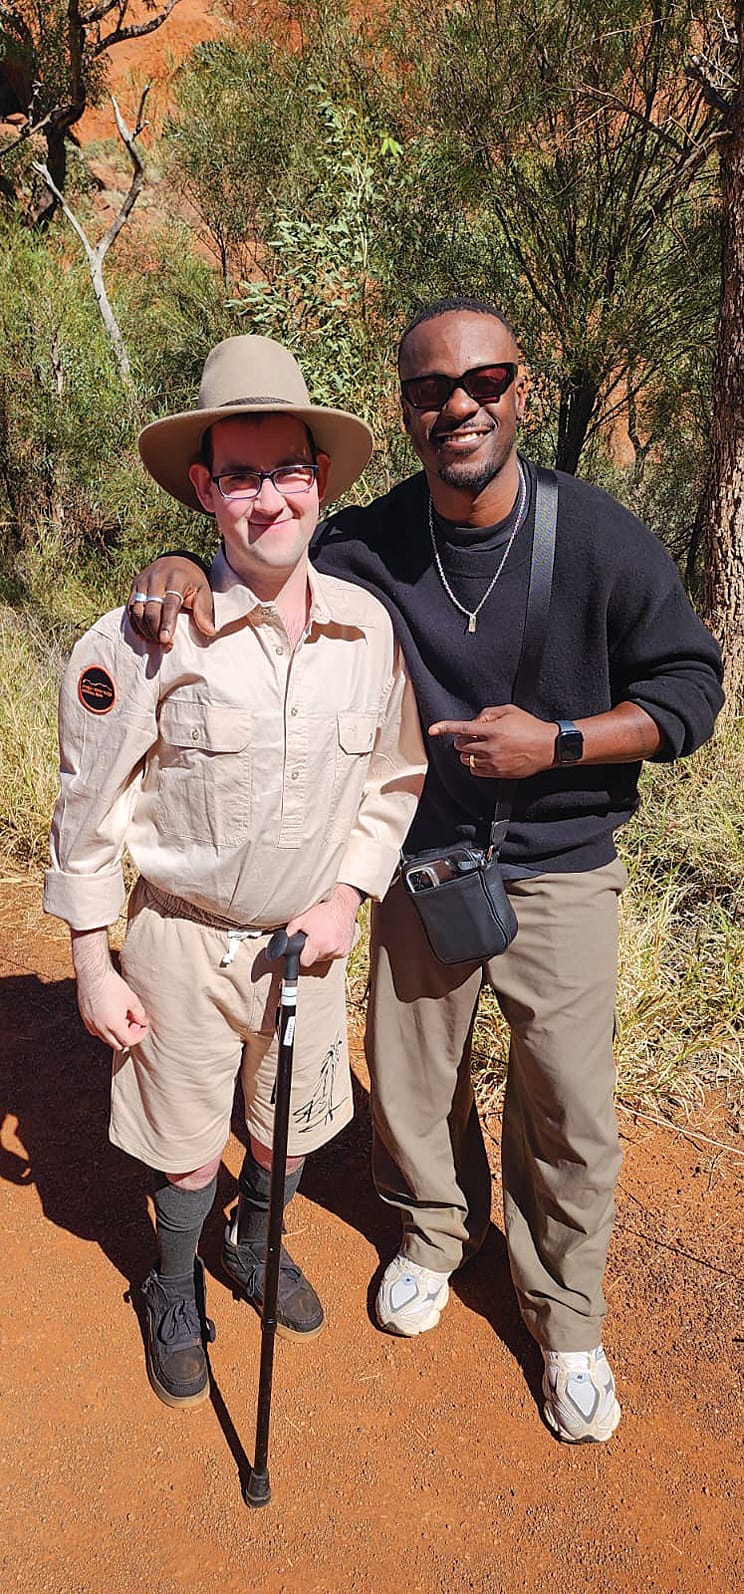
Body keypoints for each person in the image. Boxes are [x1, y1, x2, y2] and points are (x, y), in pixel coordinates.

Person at [126, 297, 724, 1442]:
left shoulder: (597, 536)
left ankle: (568, 1316)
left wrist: (555, 744)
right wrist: (177, 560)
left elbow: (691, 689)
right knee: (412, 1089)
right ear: (404, 411)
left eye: (485, 381)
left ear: (523, 389)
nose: (461, 405)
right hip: (417, 869)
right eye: (432, 389)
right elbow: (265, 556)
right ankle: (433, 1237)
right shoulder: (374, 542)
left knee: (569, 1107)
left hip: (559, 867)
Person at [43, 334, 426, 1411]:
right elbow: (88, 809)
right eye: (241, 475)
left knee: (285, 1119)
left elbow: (395, 779)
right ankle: (174, 1286)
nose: (268, 500)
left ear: (319, 481)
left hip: (304, 940)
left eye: (287, 470)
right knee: (180, 1143)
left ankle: (255, 1242)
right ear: (205, 490)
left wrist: (348, 895)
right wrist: (90, 960)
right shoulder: (142, 639)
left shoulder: (368, 630)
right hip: (180, 938)